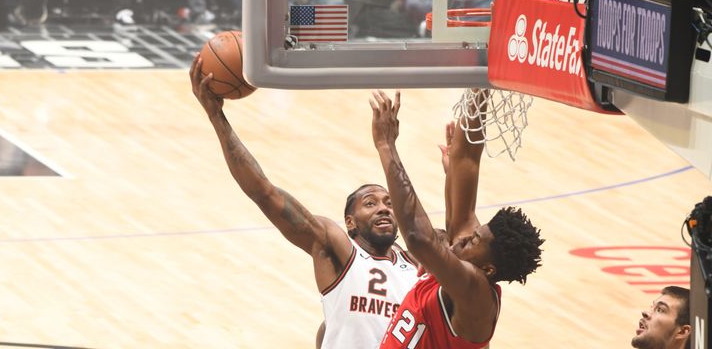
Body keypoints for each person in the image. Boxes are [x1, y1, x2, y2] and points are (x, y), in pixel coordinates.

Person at [190, 58, 419, 349]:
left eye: (388, 202)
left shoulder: (417, 263)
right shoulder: (336, 247)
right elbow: (264, 193)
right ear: (350, 222)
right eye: (370, 203)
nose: (384, 207)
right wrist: (216, 118)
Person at [369, 89, 544, 348]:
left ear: (488, 270)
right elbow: (466, 159)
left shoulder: (475, 293)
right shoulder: (473, 261)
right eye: (474, 234)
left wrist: (386, 145)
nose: (463, 240)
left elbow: (419, 238)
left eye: (474, 241)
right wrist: (478, 86)